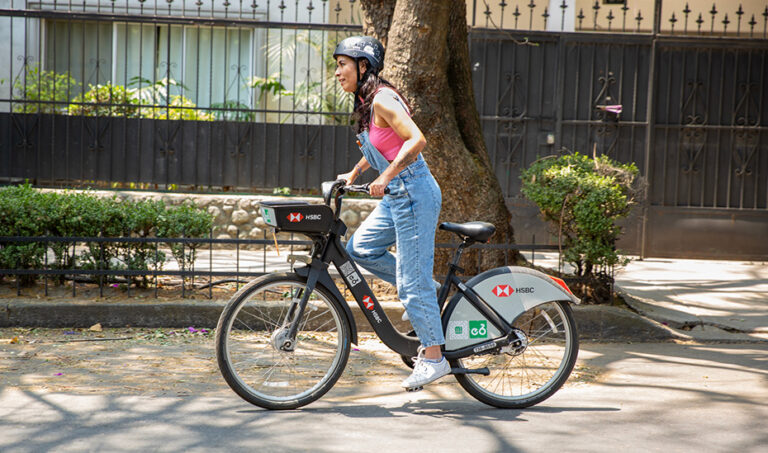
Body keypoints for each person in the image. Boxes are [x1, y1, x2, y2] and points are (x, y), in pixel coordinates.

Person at [333, 36, 448, 389]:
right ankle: (427, 293)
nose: (337, 72)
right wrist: (355, 173)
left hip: (414, 193)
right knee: (360, 250)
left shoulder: (383, 98)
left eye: (343, 64)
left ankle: (434, 358)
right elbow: (382, 145)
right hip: (397, 196)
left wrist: (384, 176)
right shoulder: (368, 104)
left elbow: (416, 140)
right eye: (337, 65)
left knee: (411, 285)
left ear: (363, 66)